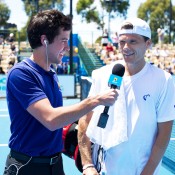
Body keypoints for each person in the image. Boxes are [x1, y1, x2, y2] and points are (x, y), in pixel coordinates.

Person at [3, 9, 118, 175]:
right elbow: (51, 119)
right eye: (63, 40)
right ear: (45, 40)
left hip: (55, 164)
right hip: (27, 166)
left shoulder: (51, 73)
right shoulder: (21, 73)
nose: (67, 46)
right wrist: (95, 100)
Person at [78, 17, 175, 175]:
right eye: (122, 41)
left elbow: (164, 134)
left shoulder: (163, 80)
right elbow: (85, 120)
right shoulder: (101, 75)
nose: (125, 47)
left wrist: (146, 173)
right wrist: (87, 165)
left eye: (133, 41)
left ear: (148, 44)